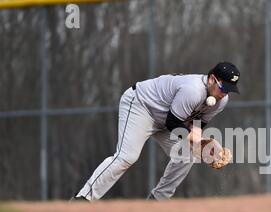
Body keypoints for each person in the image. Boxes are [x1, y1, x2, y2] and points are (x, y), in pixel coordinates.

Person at [71, 62, 240, 202]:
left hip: (167, 117)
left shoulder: (221, 101)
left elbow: (196, 124)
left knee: (187, 155)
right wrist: (196, 142)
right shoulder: (193, 90)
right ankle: (83, 199)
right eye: (223, 87)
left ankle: (156, 202)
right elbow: (173, 122)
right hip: (142, 106)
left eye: (229, 90)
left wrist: (201, 144)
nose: (224, 93)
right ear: (211, 79)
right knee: (127, 156)